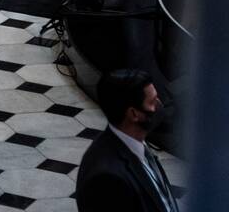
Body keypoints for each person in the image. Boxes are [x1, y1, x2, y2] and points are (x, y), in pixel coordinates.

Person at [74, 68, 180, 212]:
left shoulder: (137, 145)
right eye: (153, 101)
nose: (159, 105)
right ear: (134, 113)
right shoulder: (106, 179)